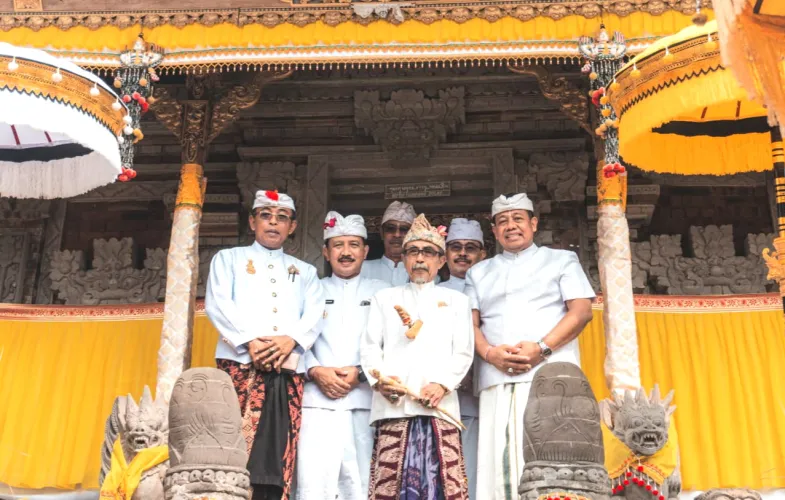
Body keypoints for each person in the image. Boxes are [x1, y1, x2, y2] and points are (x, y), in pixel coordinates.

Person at [465, 193, 595, 500]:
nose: (511, 226)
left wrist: (541, 349)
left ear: (533, 224)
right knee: (499, 462)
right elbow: (469, 324)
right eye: (502, 221)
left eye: (518, 219)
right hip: (497, 378)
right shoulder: (478, 271)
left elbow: (581, 312)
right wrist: (489, 354)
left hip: (551, 377)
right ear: (494, 231)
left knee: (556, 459)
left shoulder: (562, 260)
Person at [205, 189, 324, 500]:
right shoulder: (228, 259)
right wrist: (249, 342)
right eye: (266, 216)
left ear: (292, 227)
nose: (274, 223)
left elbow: (313, 316)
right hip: (239, 365)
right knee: (231, 445)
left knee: (280, 448)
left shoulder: (307, 272)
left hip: (286, 371)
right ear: (252, 221)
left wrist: (290, 341)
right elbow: (218, 304)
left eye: (282, 218)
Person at [361, 214, 474, 500]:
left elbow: (463, 352)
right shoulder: (384, 298)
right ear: (405, 258)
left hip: (439, 407)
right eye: (413, 252)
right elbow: (370, 347)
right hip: (395, 407)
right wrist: (381, 381)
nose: (420, 259)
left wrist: (442, 385)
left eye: (428, 252)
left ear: (441, 261)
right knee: (390, 487)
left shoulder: (457, 302)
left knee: (444, 488)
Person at [296, 211, 389, 500]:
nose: (346, 252)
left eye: (353, 245)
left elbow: (393, 344)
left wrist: (360, 372)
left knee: (362, 484)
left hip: (364, 400)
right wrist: (315, 371)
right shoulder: (310, 290)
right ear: (326, 251)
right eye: (338, 245)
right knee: (313, 484)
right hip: (317, 402)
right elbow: (293, 339)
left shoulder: (384, 292)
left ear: (365, 251)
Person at [438, 218, 487, 500]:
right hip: (442, 394)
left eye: (471, 248)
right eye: (455, 247)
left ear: (482, 255)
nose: (463, 253)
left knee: (476, 466)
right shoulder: (433, 292)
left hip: (481, 393)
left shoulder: (490, 288)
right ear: (445, 255)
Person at [360, 200, 416, 286]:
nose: (397, 235)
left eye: (404, 229)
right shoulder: (361, 269)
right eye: (390, 228)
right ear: (382, 233)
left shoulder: (425, 273)